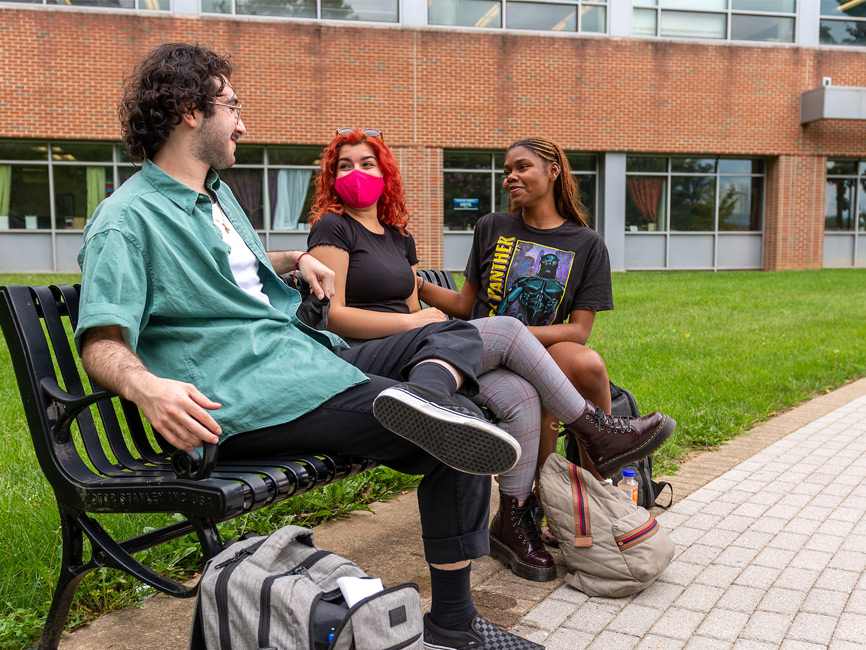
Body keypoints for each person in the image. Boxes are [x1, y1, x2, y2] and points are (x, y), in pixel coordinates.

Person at [74, 43, 542, 650]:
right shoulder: (125, 219)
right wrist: (146, 386)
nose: (241, 123)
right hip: (247, 397)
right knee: (465, 426)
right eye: (231, 107)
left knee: (449, 329)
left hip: (305, 359)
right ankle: (454, 622)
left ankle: (425, 400)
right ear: (190, 110)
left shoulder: (214, 195)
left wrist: (293, 260)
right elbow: (101, 341)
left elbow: (218, 270)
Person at [304, 129, 675, 582]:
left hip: (418, 347)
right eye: (345, 165)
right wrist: (418, 325)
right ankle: (597, 430)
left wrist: (422, 321)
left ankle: (512, 520)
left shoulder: (398, 236)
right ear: (330, 174)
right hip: (370, 357)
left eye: (367, 163)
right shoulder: (332, 227)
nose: (356, 173)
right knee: (508, 329)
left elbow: (411, 303)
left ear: (385, 173)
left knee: (520, 394)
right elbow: (335, 315)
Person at [419, 137, 630, 472]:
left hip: (544, 348)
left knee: (589, 366)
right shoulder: (492, 227)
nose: (510, 177)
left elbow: (579, 330)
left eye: (522, 167)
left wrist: (518, 336)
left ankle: (597, 478)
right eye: (507, 171)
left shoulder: (587, 244)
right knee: (539, 391)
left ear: (553, 171)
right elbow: (464, 304)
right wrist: (417, 285)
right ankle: (536, 492)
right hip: (483, 348)